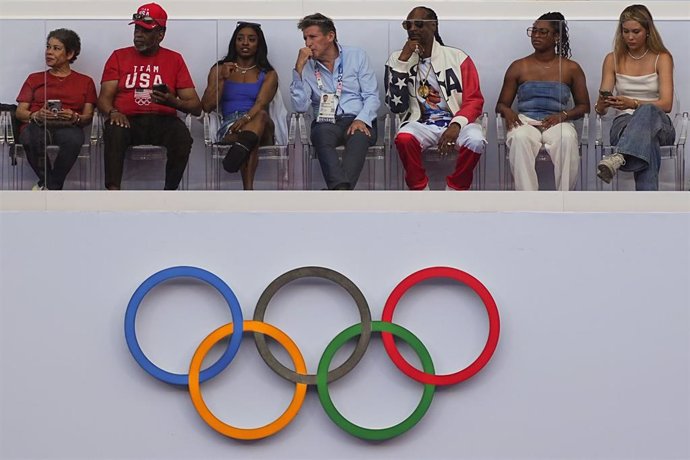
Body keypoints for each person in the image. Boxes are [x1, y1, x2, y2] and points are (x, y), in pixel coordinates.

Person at [97, 2, 202, 190]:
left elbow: (195, 106)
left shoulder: (174, 59)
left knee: (182, 137)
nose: (138, 34)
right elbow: (104, 99)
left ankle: (169, 192)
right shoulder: (118, 56)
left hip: (163, 120)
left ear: (160, 35)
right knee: (114, 130)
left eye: (145, 31)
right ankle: (113, 193)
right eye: (137, 29)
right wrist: (113, 112)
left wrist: (172, 101)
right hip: (127, 120)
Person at [385, 6, 485, 191]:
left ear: (434, 26)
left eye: (419, 24)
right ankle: (419, 189)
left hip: (456, 121)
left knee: (476, 140)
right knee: (404, 139)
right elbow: (395, 105)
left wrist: (456, 125)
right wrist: (403, 60)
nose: (413, 29)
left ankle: (456, 187)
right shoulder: (396, 59)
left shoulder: (457, 57)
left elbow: (475, 100)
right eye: (408, 25)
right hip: (421, 122)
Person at [495, 12, 590, 191]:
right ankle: (529, 200)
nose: (536, 36)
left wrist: (563, 115)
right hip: (526, 121)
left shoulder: (571, 68)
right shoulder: (519, 66)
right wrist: (507, 111)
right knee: (519, 137)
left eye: (543, 32)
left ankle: (565, 197)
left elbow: (584, 106)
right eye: (534, 31)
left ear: (556, 37)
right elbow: (501, 104)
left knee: (567, 138)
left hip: (557, 122)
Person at [291, 13, 380, 190]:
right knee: (321, 136)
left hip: (357, 117)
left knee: (360, 137)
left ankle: (338, 190)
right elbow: (300, 106)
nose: (308, 43)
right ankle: (342, 191)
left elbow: (372, 96)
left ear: (330, 36)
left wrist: (361, 119)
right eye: (305, 38)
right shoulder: (307, 65)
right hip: (326, 122)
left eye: (312, 37)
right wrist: (298, 70)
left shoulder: (357, 56)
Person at [595, 4, 675, 190]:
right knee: (648, 142)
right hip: (623, 124)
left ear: (648, 31)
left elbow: (666, 104)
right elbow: (601, 109)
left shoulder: (661, 58)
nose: (630, 37)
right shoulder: (612, 59)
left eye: (636, 31)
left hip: (660, 123)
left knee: (648, 109)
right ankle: (647, 203)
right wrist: (602, 103)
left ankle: (620, 156)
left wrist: (634, 103)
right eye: (625, 31)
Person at [15, 29, 97, 190]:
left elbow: (88, 116)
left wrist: (75, 117)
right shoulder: (34, 79)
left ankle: (48, 186)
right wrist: (36, 115)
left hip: (68, 126)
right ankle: (53, 187)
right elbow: (20, 112)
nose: (49, 52)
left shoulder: (85, 81)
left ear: (70, 54)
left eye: (56, 48)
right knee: (30, 137)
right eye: (48, 47)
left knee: (73, 140)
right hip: (38, 125)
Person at [201, 21, 279, 190]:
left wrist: (245, 120)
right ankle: (248, 191)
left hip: (260, 124)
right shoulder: (219, 69)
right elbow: (206, 106)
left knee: (261, 117)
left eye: (251, 39)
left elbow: (261, 104)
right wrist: (222, 79)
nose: (245, 43)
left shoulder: (268, 73)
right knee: (249, 140)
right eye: (240, 39)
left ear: (259, 44)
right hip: (230, 127)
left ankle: (244, 145)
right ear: (234, 42)